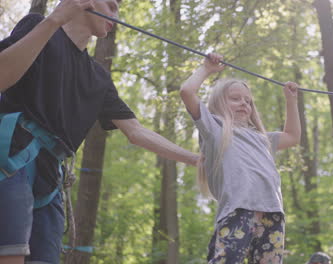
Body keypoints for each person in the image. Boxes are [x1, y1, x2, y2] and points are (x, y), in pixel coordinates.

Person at [0, 1, 198, 263]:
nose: (116, 15)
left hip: (50, 180)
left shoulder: (98, 78)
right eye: (112, 5)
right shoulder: (39, 26)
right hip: (12, 158)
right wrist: (55, 20)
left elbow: (136, 132)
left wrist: (196, 158)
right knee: (11, 254)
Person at [180, 53, 301, 264]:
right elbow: (187, 92)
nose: (244, 104)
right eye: (235, 99)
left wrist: (291, 101)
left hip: (273, 213)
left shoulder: (262, 138)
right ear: (218, 103)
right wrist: (207, 68)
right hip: (238, 210)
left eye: (248, 101)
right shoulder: (215, 128)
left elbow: (292, 136)